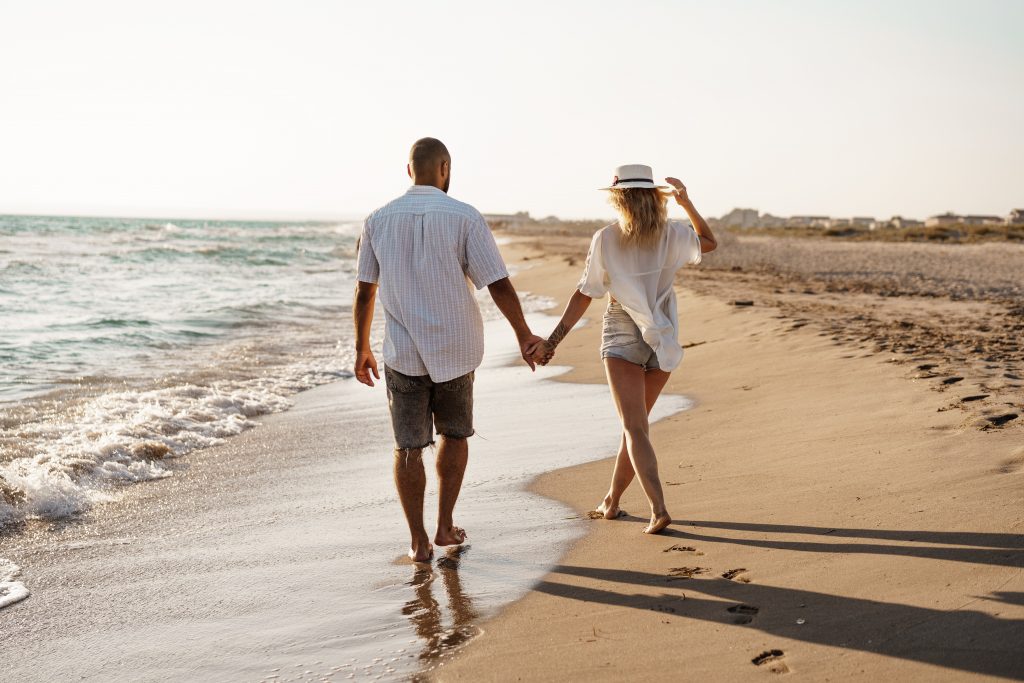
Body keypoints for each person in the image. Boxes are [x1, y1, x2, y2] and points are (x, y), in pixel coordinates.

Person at [353, 137, 545, 562]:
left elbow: (366, 291)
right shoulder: (465, 217)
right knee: (454, 436)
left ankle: (418, 541)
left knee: (408, 448)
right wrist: (523, 334)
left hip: (402, 353)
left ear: (409, 171)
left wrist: (361, 347)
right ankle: (444, 525)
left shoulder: (377, 220)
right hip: (456, 351)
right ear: (444, 168)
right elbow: (497, 282)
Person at [534, 164, 717, 534]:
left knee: (635, 429)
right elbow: (709, 243)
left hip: (622, 332)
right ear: (654, 197)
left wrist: (552, 343)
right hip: (662, 334)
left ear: (618, 198)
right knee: (636, 429)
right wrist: (687, 203)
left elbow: (585, 293)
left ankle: (658, 508)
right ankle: (612, 501)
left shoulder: (606, 238)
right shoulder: (674, 234)